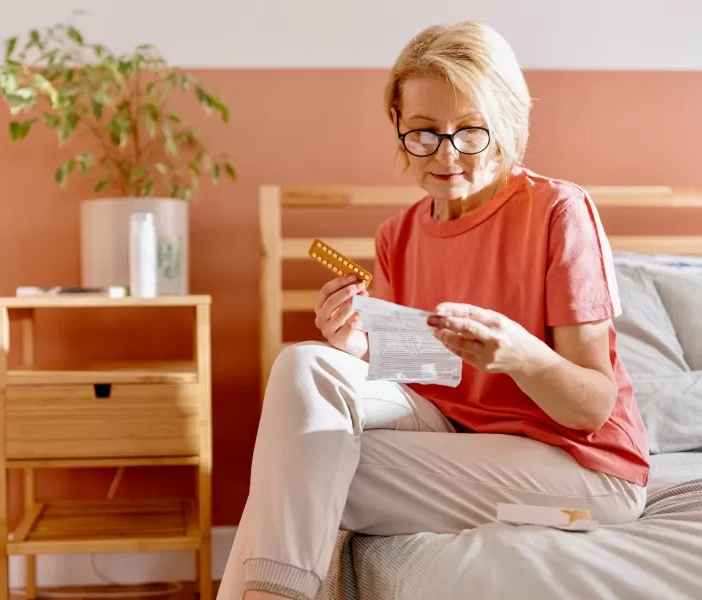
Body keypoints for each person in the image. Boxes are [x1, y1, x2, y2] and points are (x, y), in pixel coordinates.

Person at [217, 19, 650, 600]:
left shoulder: (558, 211)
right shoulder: (398, 234)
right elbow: (417, 381)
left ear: (505, 127)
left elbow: (592, 407)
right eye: (422, 133)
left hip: (582, 466)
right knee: (303, 369)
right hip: (454, 434)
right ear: (397, 126)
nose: (446, 155)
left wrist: (520, 356)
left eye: (470, 132)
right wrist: (354, 351)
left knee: (297, 468)